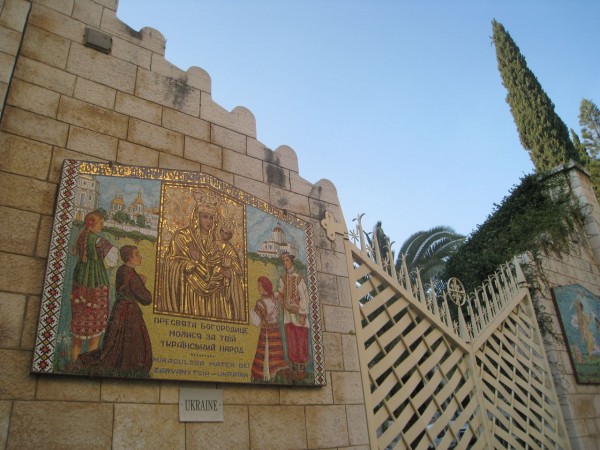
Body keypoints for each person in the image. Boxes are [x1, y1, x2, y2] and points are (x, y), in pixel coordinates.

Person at [65, 245, 153, 378]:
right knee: (134, 343)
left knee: (115, 343)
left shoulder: (122, 270)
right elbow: (146, 299)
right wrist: (142, 283)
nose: (140, 257)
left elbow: (126, 287)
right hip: (129, 312)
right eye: (137, 254)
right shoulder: (133, 276)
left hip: (119, 309)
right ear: (129, 257)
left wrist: (138, 281)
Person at [156, 195, 246, 322]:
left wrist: (230, 273)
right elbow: (170, 263)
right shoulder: (182, 237)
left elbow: (237, 269)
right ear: (196, 217)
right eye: (205, 217)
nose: (209, 221)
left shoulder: (221, 243)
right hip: (190, 294)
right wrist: (189, 263)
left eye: (211, 218)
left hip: (216, 299)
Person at [69, 210, 118, 361]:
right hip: (96, 283)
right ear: (93, 224)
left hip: (79, 282)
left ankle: (74, 361)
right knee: (95, 327)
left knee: (79, 324)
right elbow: (112, 260)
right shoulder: (98, 240)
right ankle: (90, 363)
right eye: (101, 223)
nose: (102, 226)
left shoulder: (81, 236)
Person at [276, 252, 310, 381]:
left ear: (291, 261)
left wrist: (303, 314)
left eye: (287, 260)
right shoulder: (282, 278)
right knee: (291, 341)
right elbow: (281, 292)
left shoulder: (299, 278)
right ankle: (295, 368)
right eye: (283, 261)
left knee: (301, 340)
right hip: (288, 316)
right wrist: (278, 295)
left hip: (299, 314)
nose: (285, 263)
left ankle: (303, 369)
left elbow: (304, 297)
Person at [250, 276, 290, 383]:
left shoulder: (260, 303)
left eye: (259, 286)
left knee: (266, 354)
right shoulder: (275, 297)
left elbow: (256, 322)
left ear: (264, 287)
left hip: (266, 333)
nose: (258, 288)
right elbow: (283, 303)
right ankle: (276, 375)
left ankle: (266, 375)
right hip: (276, 332)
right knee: (276, 356)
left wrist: (252, 310)